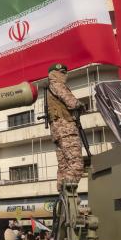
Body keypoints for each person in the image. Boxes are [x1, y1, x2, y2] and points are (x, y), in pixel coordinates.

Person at [47, 63, 84, 192]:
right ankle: (68, 194)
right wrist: (80, 105)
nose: (64, 75)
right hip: (66, 128)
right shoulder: (57, 85)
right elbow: (72, 102)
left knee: (64, 167)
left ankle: (63, 196)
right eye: (62, 72)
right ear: (54, 74)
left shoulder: (49, 89)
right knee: (76, 164)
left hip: (57, 132)